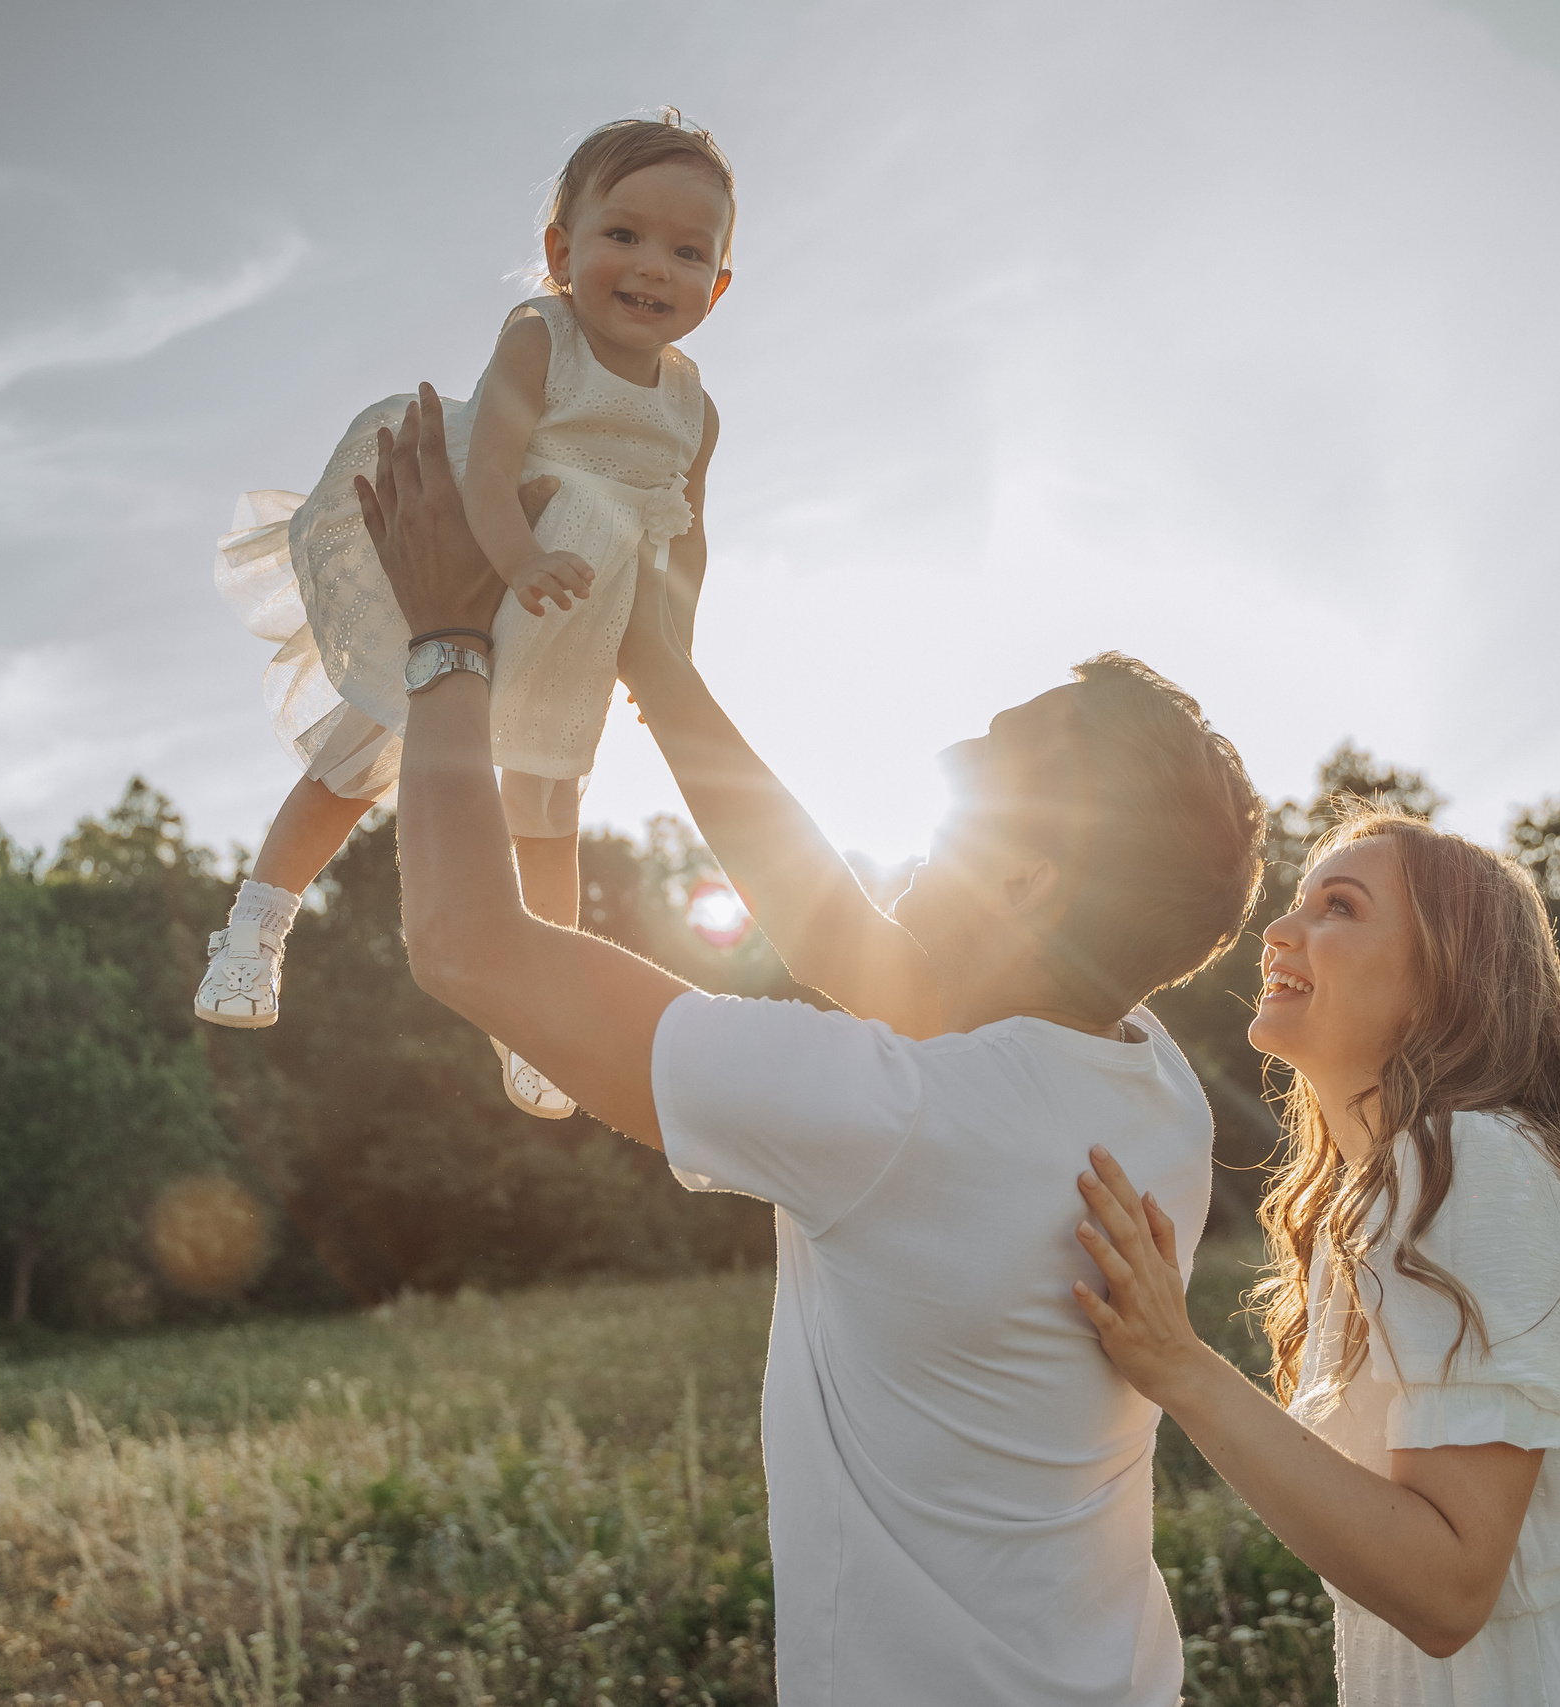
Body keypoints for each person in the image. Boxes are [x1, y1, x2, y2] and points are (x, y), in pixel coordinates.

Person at [354, 387, 1268, 1704]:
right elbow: (860, 946)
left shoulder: (895, 1117)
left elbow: (467, 942)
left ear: (1024, 881)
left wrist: (444, 638)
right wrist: (661, 668)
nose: (953, 752)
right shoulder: (1153, 1086)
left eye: (996, 756)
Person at [1070, 810, 1560, 1705]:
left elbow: (1450, 1584)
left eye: (1339, 906)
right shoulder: (1383, 1190)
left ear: (1443, 979)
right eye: (1298, 901)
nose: (1278, 929)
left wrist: (1178, 1365)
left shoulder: (1469, 1159)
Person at [197, 111, 733, 1120]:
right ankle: (254, 931)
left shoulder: (693, 411)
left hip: (573, 616)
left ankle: (538, 1018)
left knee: (548, 815)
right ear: (561, 252)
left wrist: (673, 663)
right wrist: (518, 556)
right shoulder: (541, 336)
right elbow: (491, 469)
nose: (652, 265)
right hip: (470, 567)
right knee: (354, 765)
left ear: (718, 283)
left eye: (687, 249)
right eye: (622, 235)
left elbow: (684, 537)